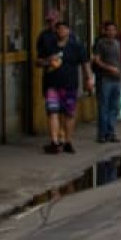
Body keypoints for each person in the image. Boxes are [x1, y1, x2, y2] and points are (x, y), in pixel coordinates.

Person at [36, 17, 87, 154]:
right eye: (59, 29)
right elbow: (38, 62)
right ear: (56, 31)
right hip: (51, 85)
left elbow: (84, 62)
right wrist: (48, 61)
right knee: (53, 112)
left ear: (69, 31)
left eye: (64, 29)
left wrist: (89, 78)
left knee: (69, 114)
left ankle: (68, 141)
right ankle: (54, 142)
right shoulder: (49, 45)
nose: (61, 31)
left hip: (70, 85)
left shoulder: (76, 46)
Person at [90, 19, 121, 142]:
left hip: (116, 79)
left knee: (114, 107)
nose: (111, 32)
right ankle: (102, 134)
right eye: (109, 30)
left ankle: (111, 132)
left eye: (113, 30)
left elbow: (120, 61)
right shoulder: (100, 43)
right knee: (103, 107)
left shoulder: (117, 43)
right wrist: (109, 68)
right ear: (105, 31)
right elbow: (97, 60)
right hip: (105, 79)